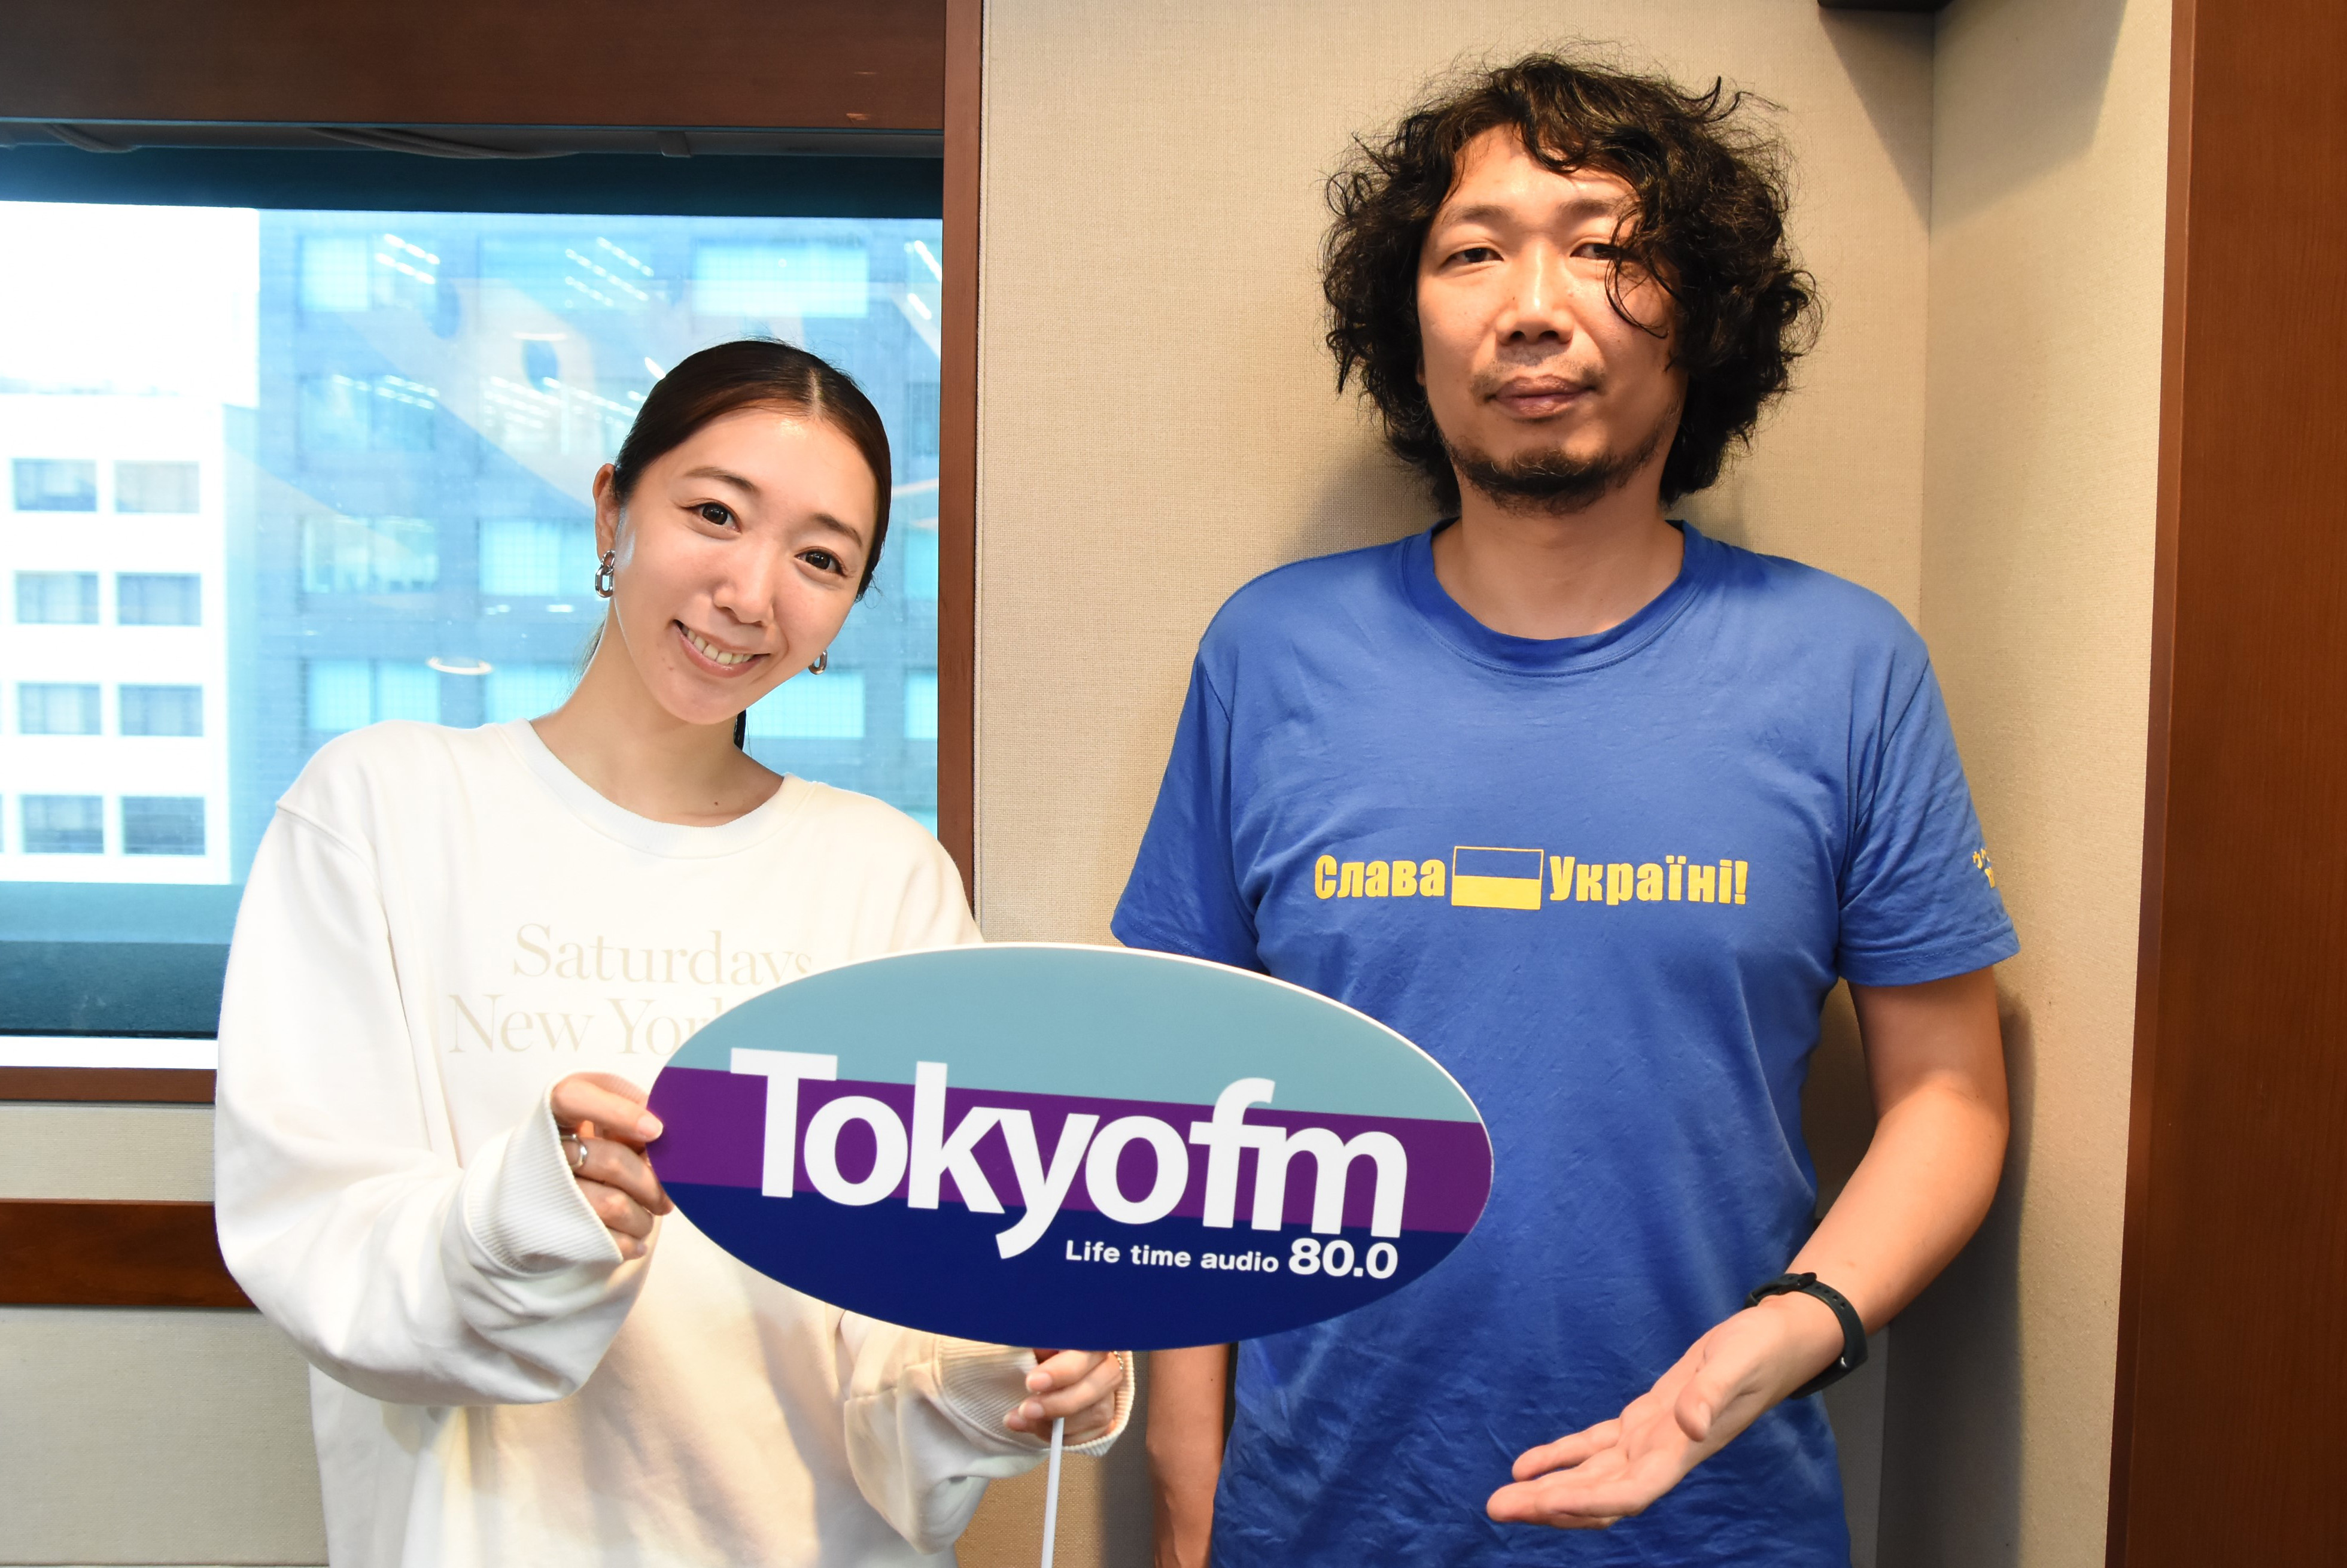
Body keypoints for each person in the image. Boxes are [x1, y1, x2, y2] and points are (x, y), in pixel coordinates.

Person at [1117, 55, 2014, 1566]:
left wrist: (1798, 1323)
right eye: (1472, 251)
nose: (1533, 305)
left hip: (1714, 1516)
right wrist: (1183, 1476)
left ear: (1704, 315)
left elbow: (1949, 1093)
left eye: (1604, 246)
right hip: (1319, 1512)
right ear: (1409, 323)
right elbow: (1176, 1095)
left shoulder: (1846, 667)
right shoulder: (1269, 655)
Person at [214, 339, 1129, 1568]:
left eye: (819, 559)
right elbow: (320, 1244)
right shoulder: (383, 807)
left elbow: (908, 1329)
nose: (750, 592)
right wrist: (536, 1206)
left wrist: (1009, 1363)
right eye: (714, 514)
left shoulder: (884, 877)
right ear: (612, 509)